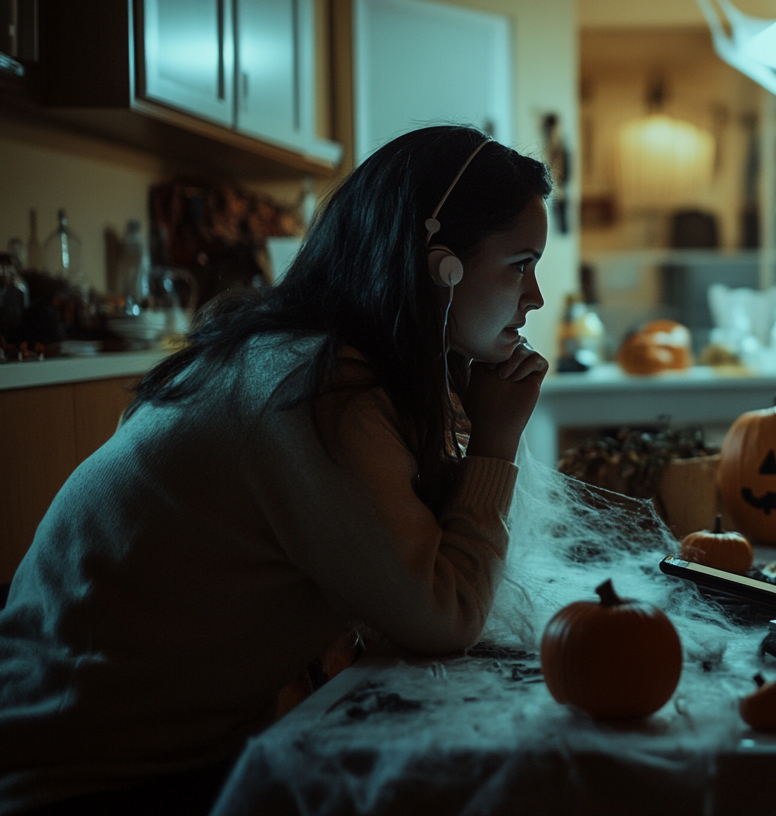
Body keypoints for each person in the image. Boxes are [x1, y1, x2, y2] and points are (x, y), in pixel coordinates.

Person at [0, 125, 551, 815]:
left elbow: (406, 574)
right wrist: (494, 443)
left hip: (130, 744)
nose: (534, 297)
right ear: (437, 263)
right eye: (520, 264)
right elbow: (443, 615)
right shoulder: (313, 387)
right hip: (81, 777)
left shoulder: (300, 354)